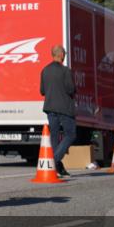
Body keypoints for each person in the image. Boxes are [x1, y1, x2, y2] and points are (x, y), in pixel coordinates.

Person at [40, 45, 77, 178]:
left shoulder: (44, 70)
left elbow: (42, 91)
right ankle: (54, 161)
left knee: (54, 137)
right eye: (64, 54)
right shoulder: (65, 71)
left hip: (50, 107)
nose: (65, 56)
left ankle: (57, 167)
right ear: (61, 55)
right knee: (70, 134)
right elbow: (70, 89)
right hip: (64, 108)